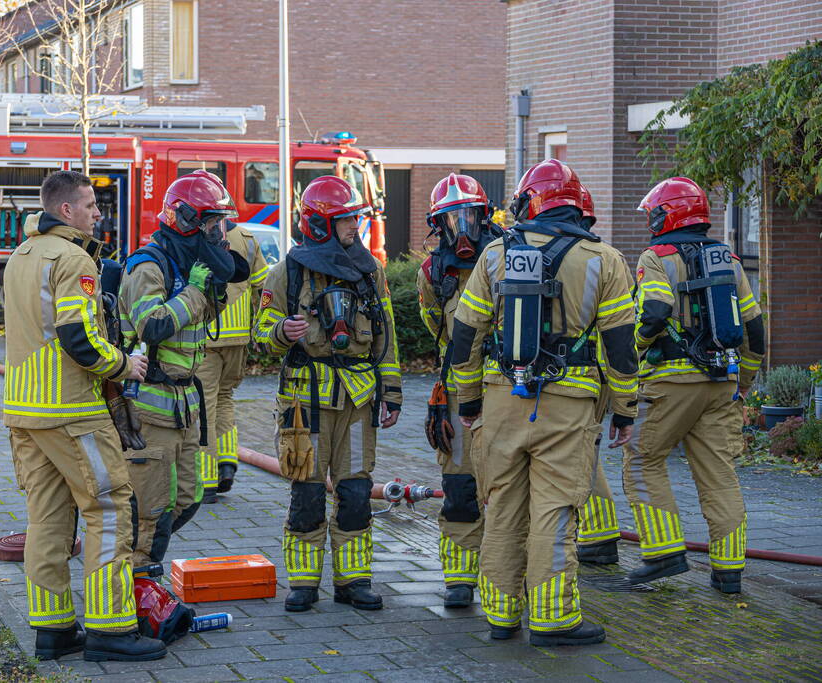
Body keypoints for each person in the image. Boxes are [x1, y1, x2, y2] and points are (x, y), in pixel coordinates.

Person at [451, 159, 638, 646]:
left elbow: (465, 335)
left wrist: (469, 402)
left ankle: (501, 614)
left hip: (500, 398)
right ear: (578, 209)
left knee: (504, 505)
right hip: (569, 403)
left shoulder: (494, 253)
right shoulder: (604, 260)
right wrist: (625, 409)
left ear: (527, 202)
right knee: (555, 507)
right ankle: (554, 619)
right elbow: (621, 347)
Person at [3, 170, 164, 663]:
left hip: (24, 412)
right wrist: (123, 363)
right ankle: (110, 629)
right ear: (66, 211)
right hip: (72, 411)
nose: (99, 213)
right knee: (111, 509)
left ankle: (53, 632)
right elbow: (78, 338)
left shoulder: (21, 255)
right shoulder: (73, 259)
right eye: (91, 205)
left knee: (48, 519)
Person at [254, 175, 401, 613]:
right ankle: (302, 584)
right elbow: (258, 336)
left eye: (355, 217)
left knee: (356, 492)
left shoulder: (371, 273)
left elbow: (385, 339)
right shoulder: (286, 273)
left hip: (357, 401)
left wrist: (391, 394)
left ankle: (353, 581)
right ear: (319, 225)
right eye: (346, 219)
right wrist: (281, 331)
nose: (355, 226)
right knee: (307, 494)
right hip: (305, 404)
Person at [623, 177, 764, 594]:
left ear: (668, 214)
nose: (651, 220)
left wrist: (631, 353)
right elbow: (755, 331)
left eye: (655, 212)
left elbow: (653, 309)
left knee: (643, 458)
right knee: (719, 472)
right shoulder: (731, 260)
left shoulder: (657, 256)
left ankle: (664, 552)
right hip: (722, 381)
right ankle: (729, 571)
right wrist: (745, 384)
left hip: (669, 384)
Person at [118, 170, 247, 573]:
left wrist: (213, 287)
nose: (218, 232)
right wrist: (193, 291)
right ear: (186, 220)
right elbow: (152, 325)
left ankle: (144, 560)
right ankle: (137, 581)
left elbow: (202, 320)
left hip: (184, 406)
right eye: (211, 223)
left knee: (188, 498)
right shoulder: (148, 267)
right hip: (150, 407)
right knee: (150, 507)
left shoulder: (188, 264)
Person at [416, 174, 502, 607]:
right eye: (451, 219)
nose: (461, 227)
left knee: (505, 486)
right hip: (455, 393)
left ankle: (504, 572)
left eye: (468, 215)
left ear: (483, 215)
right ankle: (460, 578)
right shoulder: (432, 271)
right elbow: (437, 326)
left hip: (504, 391)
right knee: (459, 486)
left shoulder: (508, 258)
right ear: (440, 225)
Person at [195, 215, 270, 502]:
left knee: (204, 407)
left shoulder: (198, 236)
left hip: (207, 335)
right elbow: (263, 288)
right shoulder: (248, 239)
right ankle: (227, 464)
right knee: (225, 398)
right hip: (239, 337)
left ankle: (206, 480)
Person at [575, 185, 627, 565]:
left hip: (579, 378)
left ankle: (597, 536)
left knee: (580, 456)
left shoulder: (582, 259)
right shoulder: (607, 259)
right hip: (600, 376)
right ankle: (600, 533)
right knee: (586, 453)